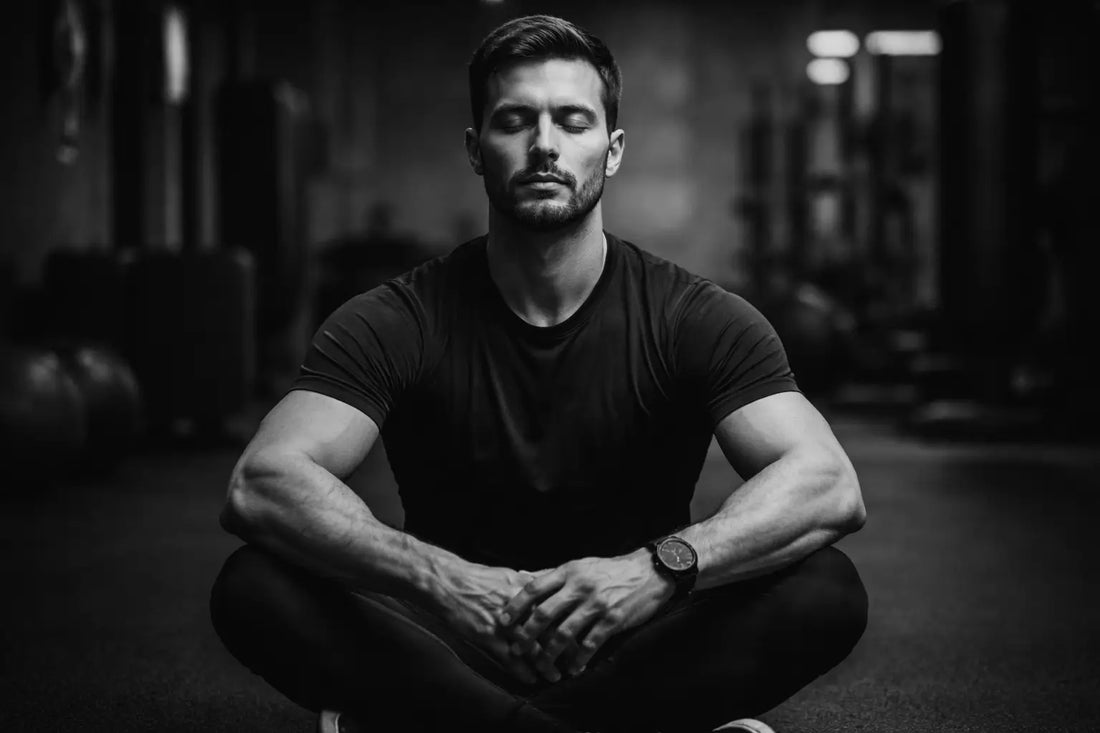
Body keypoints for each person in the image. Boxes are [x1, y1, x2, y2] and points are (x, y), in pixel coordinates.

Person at [210, 14, 868, 733]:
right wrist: (442, 580)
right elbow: (262, 482)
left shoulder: (694, 315)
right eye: (515, 120)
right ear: (475, 149)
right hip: (451, 642)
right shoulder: (397, 316)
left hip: (632, 644)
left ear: (612, 150)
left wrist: (655, 569)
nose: (545, 145)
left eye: (573, 121)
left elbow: (827, 483)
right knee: (253, 586)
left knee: (826, 588)